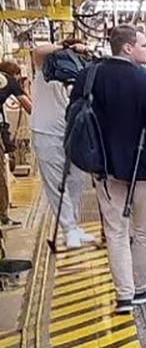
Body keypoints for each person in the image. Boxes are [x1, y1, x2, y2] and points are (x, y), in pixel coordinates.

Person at [69, 25, 146, 314]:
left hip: (103, 166)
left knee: (115, 231)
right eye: (143, 44)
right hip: (143, 167)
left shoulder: (88, 76)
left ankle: (124, 296)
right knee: (144, 230)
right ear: (127, 48)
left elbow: (74, 115)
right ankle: (141, 288)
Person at [32, 39, 95, 248]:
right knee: (55, 182)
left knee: (76, 180)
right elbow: (37, 51)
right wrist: (64, 47)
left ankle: (74, 225)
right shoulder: (47, 64)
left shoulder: (82, 70)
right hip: (46, 130)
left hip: (73, 131)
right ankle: (68, 229)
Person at [0, 60, 33, 227]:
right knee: (0, 176)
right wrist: (25, 89)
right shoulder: (9, 81)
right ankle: (3, 216)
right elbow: (30, 108)